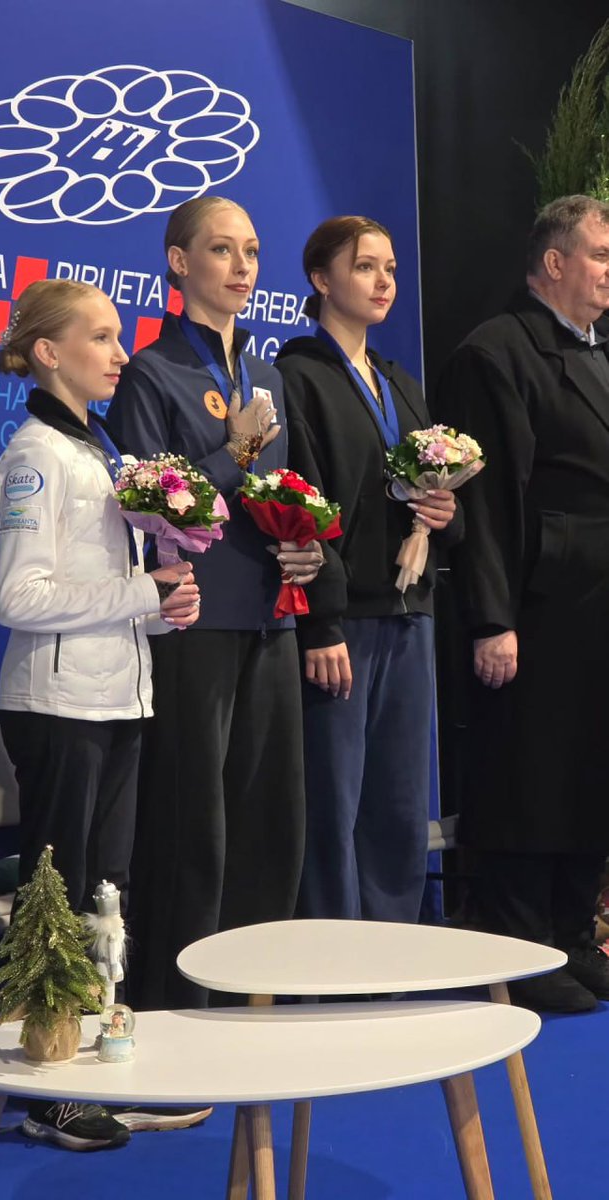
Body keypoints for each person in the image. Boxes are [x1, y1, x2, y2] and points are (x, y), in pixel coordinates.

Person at [0, 278, 201, 1149]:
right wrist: (136, 591)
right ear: (49, 352)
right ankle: (51, 1089)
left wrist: (159, 604)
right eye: (103, 336)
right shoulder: (33, 456)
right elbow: (17, 597)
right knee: (60, 897)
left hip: (118, 698)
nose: (122, 352)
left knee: (104, 898)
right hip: (59, 706)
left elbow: (113, 593)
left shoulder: (101, 450)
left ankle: (104, 1061)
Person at [107, 196, 322, 1008]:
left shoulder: (264, 375)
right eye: (222, 250)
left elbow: (282, 493)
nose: (241, 267)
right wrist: (233, 452)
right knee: (191, 826)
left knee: (271, 818)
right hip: (191, 623)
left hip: (267, 614)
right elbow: (159, 504)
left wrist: (302, 544)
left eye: (252, 251)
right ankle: (177, 1002)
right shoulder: (152, 375)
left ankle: (253, 994)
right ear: (177, 262)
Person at [435, 194, 609, 1013]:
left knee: (589, 775)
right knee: (530, 776)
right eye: (600, 256)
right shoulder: (495, 351)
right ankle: (522, 949)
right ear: (553, 263)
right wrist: (490, 616)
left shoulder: (596, 352)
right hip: (538, 604)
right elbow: (491, 501)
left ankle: (573, 938)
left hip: (596, 605)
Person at [275, 215, 460, 924]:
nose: (383, 281)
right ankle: (330, 964)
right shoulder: (297, 377)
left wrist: (443, 513)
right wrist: (321, 621)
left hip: (410, 614)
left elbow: (444, 492)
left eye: (388, 268)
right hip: (344, 622)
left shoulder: (397, 382)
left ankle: (392, 955)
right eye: (363, 267)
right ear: (321, 280)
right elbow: (303, 508)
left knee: (397, 802)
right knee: (334, 801)